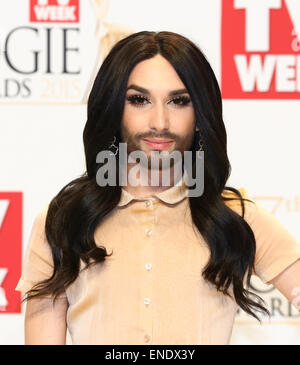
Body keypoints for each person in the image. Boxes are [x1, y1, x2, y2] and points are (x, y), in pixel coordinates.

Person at [16, 30, 300, 345]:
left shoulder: (234, 217)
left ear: (199, 114)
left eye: (178, 101)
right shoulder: (63, 220)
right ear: (113, 108)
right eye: (139, 100)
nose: (160, 121)